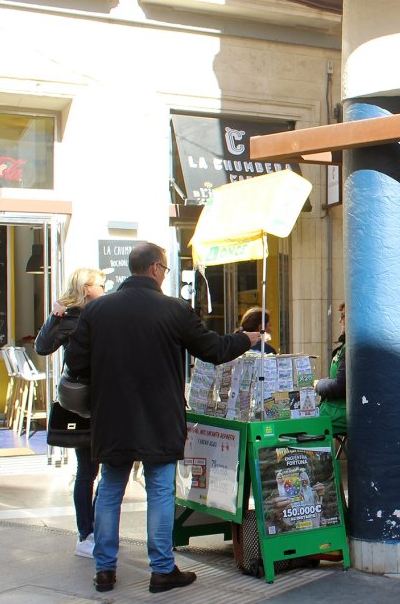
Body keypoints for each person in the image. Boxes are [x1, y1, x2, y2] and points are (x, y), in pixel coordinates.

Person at [65, 242, 262, 594]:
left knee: (110, 488)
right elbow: (213, 350)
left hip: (112, 416)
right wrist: (245, 339)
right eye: (166, 269)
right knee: (159, 489)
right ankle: (161, 570)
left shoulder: (97, 311)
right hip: (159, 416)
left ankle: (104, 570)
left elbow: (76, 364)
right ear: (156, 268)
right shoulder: (174, 310)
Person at [34, 266, 107, 559]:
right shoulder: (71, 317)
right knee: (87, 471)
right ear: (87, 288)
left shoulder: (105, 313)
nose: (105, 287)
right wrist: (55, 317)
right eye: (101, 283)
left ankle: (98, 530)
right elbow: (42, 347)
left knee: (107, 471)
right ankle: (86, 533)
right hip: (82, 403)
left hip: (104, 399)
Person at [315, 303, 347, 435]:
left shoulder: (351, 348)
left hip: (340, 413)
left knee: (303, 427)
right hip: (333, 409)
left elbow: (341, 386)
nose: (340, 320)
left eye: (343, 316)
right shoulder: (346, 346)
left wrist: (318, 384)